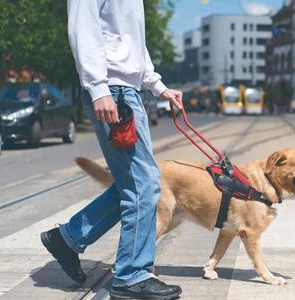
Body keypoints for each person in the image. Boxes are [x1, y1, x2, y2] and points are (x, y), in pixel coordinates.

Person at [40, 1, 183, 299]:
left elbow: (131, 41)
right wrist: (98, 87)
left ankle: (68, 238)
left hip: (127, 90)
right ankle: (131, 275)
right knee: (144, 184)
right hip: (113, 91)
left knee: (135, 184)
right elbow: (83, 27)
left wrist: (157, 86)